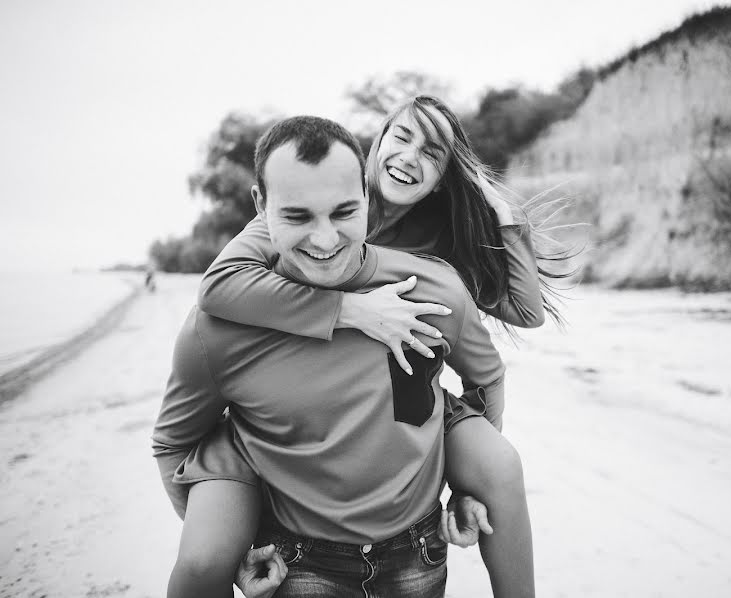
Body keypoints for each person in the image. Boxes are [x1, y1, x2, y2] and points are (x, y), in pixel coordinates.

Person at [153, 115, 506, 598]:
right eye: (297, 216)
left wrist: (467, 484)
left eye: (343, 213)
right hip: (295, 564)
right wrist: (229, 547)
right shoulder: (217, 326)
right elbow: (174, 444)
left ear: (365, 194)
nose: (324, 240)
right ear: (261, 206)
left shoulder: (430, 287)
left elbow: (488, 372)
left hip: (418, 553)